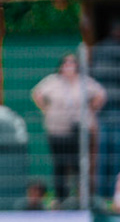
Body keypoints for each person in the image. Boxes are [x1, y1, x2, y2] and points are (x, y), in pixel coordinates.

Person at [31, 52, 106, 207]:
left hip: (78, 132)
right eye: (66, 63)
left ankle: (82, 198)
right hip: (57, 130)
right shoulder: (52, 82)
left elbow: (101, 94)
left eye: (72, 63)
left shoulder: (83, 82)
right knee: (60, 165)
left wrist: (90, 110)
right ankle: (61, 198)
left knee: (79, 165)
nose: (69, 67)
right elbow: (36, 93)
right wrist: (47, 109)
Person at [89, 23, 120, 207]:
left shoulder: (98, 50)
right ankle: (110, 196)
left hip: (102, 113)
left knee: (103, 156)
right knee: (114, 156)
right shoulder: (107, 51)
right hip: (111, 112)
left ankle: (102, 196)